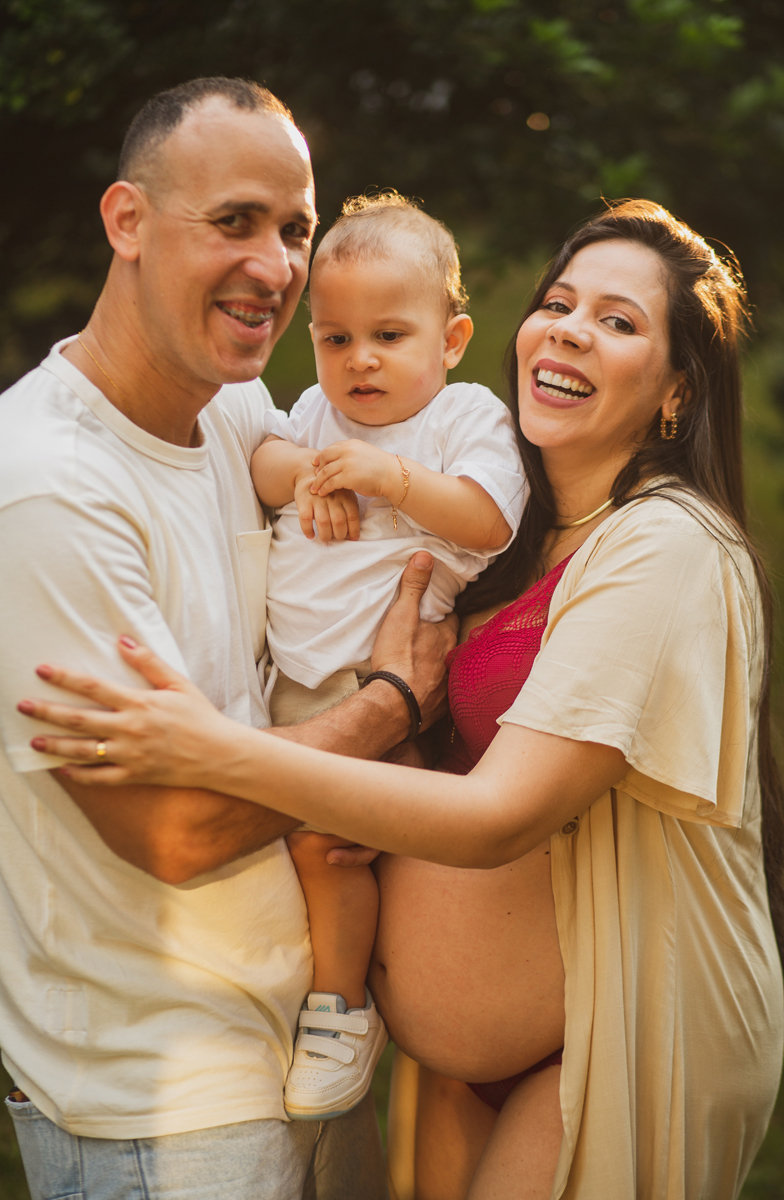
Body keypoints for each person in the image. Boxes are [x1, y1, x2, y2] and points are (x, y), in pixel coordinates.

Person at [21, 200, 784, 1200]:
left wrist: (212, 749)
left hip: (609, 1032)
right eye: (558, 303)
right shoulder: (522, 537)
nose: (568, 330)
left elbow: (500, 814)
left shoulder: (667, 542)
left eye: (616, 320)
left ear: (678, 389)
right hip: (460, 1066)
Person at [0, 76, 456, 1200]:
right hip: (166, 1109)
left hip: (308, 1045)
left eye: (294, 229)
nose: (276, 266)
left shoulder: (236, 412)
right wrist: (390, 705)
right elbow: (178, 827)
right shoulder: (41, 489)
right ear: (128, 220)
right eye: (234, 221)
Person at [251, 191, 525, 1121]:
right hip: (289, 681)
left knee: (327, 849)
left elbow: (487, 519)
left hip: (379, 682)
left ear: (451, 341)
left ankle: (341, 1011)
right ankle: (309, 990)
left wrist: (392, 477)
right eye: (336, 339)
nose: (359, 359)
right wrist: (310, 476)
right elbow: (262, 465)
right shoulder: (315, 417)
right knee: (280, 851)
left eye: (390, 336)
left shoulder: (464, 418)